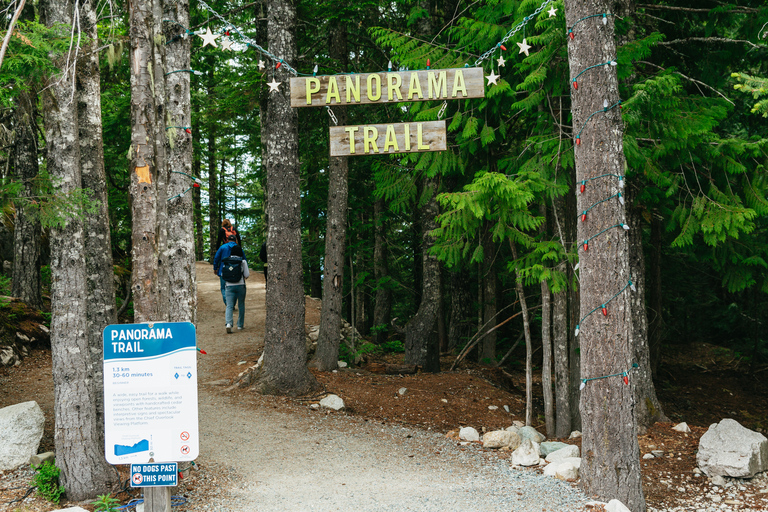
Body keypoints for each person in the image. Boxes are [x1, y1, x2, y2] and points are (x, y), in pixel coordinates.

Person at [222, 244, 249, 333]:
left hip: (229, 286)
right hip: (240, 285)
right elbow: (247, 275)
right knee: (241, 305)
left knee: (229, 305)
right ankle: (240, 325)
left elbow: (223, 275)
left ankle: (228, 323)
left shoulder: (226, 261)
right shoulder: (242, 261)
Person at [213, 234, 246, 306]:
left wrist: (215, 268)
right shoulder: (238, 248)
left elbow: (216, 258)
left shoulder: (222, 247)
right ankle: (232, 303)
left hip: (223, 270)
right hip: (236, 271)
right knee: (234, 287)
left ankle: (228, 303)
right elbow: (244, 259)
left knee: (223, 288)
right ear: (236, 240)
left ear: (227, 240)